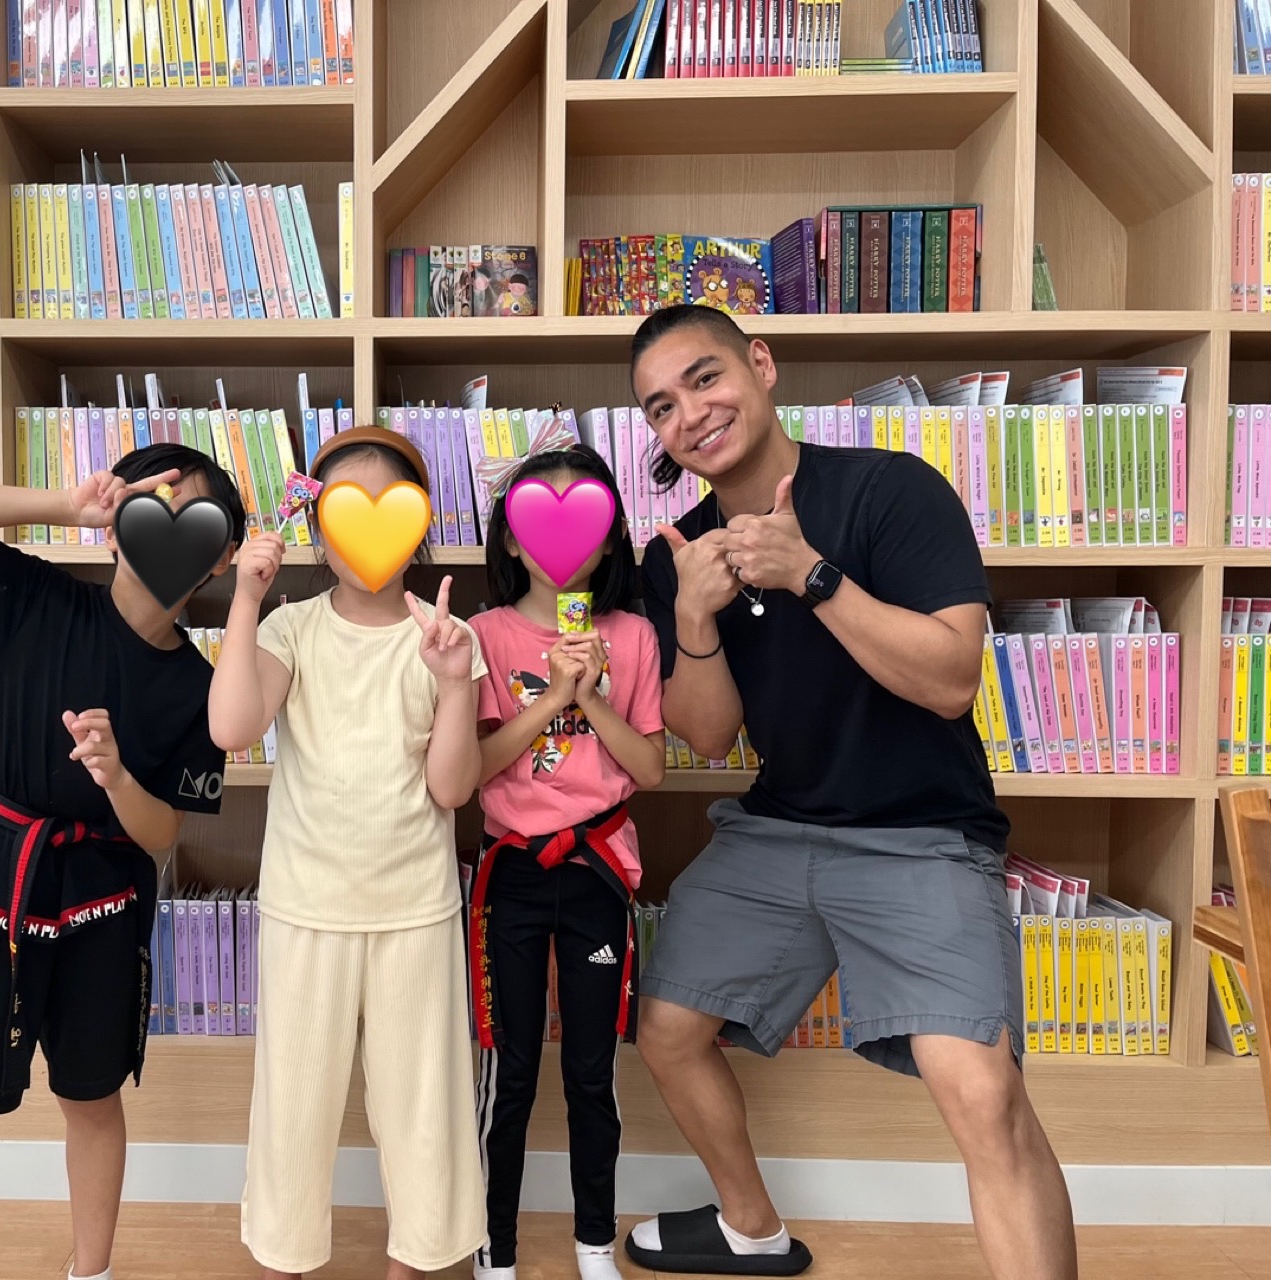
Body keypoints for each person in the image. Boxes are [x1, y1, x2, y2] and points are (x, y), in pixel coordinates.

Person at [626, 304, 1078, 1279]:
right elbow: (707, 735)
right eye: (660, 407)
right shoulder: (676, 554)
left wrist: (812, 575)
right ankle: (749, 1227)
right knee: (664, 1026)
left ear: (759, 364)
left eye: (704, 379)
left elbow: (950, 679)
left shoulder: (888, 489)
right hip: (778, 829)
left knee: (982, 1090)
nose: (689, 415)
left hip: (924, 834)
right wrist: (694, 620)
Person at [0, 443, 246, 1280]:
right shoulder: (35, 595)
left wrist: (116, 777)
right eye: (151, 511)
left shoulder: (201, 686)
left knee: (91, 1097)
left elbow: (162, 834)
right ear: (116, 526)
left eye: (196, 523)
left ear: (222, 555)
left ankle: (92, 1270)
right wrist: (63, 506)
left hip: (102, 897)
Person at [209, 426, 489, 1280]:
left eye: (384, 509)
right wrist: (246, 598)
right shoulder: (292, 628)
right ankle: (285, 1260)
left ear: (418, 523)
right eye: (340, 512)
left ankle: (420, 1261)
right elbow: (231, 727)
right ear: (315, 526)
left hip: (415, 909)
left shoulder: (448, 637)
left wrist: (452, 683)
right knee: (292, 1109)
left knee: (422, 1113)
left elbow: (452, 789)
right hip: (307, 908)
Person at [466, 441, 667, 1280]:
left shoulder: (633, 635)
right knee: (508, 1071)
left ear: (610, 535)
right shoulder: (484, 634)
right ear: (511, 540)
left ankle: (593, 1242)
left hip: (596, 872)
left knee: (591, 1071)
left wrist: (589, 696)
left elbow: (649, 769)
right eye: (537, 519)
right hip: (510, 872)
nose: (561, 539)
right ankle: (494, 1249)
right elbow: (472, 770)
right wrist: (550, 695)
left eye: (584, 516)